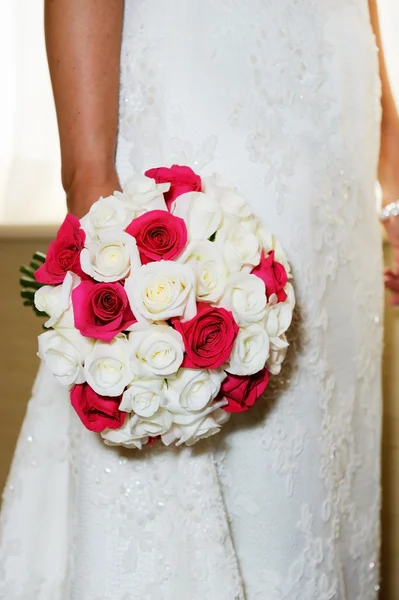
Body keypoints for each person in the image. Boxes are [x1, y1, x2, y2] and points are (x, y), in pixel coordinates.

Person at [1, 1, 399, 598]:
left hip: (336, 150)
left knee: (323, 487)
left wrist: (391, 153)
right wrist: (93, 194)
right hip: (214, 135)